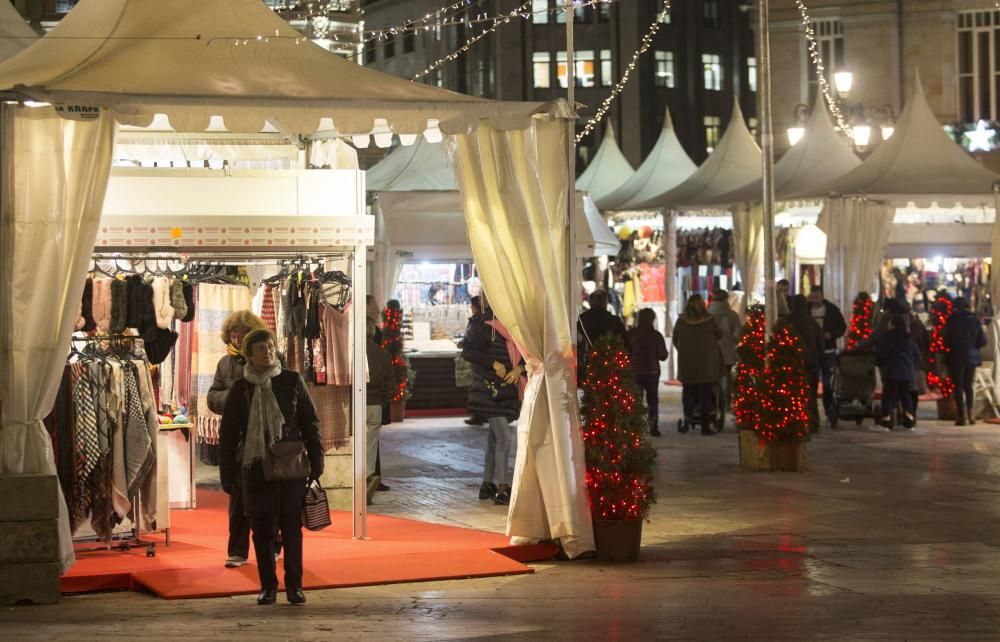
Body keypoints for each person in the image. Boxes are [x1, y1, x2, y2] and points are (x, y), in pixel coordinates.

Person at [219, 329, 324, 606]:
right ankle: (267, 586)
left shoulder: (291, 380)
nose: (268, 351)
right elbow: (228, 433)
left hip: (290, 465)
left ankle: (295, 586)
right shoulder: (241, 388)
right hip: (254, 467)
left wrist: (317, 459)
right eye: (261, 348)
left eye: (270, 346)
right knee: (262, 529)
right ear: (249, 355)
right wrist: (227, 473)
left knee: (291, 528)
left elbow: (309, 422)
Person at [207, 310, 267, 569]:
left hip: (266, 439)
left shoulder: (269, 359)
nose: (238, 340)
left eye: (243, 335)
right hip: (239, 441)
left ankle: (273, 544)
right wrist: (234, 395)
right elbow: (212, 398)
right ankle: (237, 550)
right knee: (238, 499)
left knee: (268, 496)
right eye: (234, 335)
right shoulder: (225, 363)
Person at [461, 298, 524, 505]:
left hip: (506, 389)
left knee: (495, 439)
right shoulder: (481, 323)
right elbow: (468, 352)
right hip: (489, 390)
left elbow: (526, 352)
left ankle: (487, 485)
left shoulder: (514, 324)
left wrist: (519, 368)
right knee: (504, 438)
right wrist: (493, 362)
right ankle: (503, 487)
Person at [672, 295, 724, 436]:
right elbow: (719, 335)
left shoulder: (681, 321)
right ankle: (705, 425)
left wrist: (685, 350)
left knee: (688, 391)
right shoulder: (710, 321)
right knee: (705, 393)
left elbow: (675, 340)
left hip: (687, 362)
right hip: (707, 363)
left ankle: (688, 418)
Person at [944, 297, 987, 426]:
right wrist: (974, 347)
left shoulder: (951, 320)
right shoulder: (974, 320)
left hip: (955, 356)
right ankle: (971, 413)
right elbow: (983, 340)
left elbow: (946, 340)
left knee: (958, 386)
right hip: (971, 357)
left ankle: (961, 416)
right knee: (968, 385)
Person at [808, 286, 847, 425]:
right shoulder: (807, 310)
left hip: (828, 351)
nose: (815, 300)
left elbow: (842, 327)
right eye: (812, 297)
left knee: (828, 383)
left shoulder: (832, 310)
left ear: (822, 296)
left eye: (817, 297)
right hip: (812, 352)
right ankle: (813, 415)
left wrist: (831, 334)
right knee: (811, 383)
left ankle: (829, 411)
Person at [626, 308, 668, 436]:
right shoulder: (656, 335)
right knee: (652, 400)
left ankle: (635, 427)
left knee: (636, 400)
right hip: (652, 372)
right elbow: (663, 355)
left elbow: (626, 352)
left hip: (635, 371)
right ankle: (653, 426)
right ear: (652, 319)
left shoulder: (631, 334)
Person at [365, 318, 393, 505]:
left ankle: (356, 483)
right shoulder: (382, 354)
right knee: (371, 446)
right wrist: (382, 401)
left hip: (356, 403)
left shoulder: (354, 352)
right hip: (375, 404)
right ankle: (367, 478)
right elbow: (390, 382)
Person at [875, 314, 920, 430]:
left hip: (892, 371)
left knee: (888, 396)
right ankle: (909, 422)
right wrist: (909, 365)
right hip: (907, 372)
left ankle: (886, 421)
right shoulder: (909, 337)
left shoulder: (888, 337)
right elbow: (916, 355)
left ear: (893, 324)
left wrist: (880, 363)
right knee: (906, 396)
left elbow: (882, 353)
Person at [789, 294, 825, 430]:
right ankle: (812, 421)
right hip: (811, 362)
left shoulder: (788, 323)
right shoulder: (813, 323)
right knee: (811, 394)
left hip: (793, 363)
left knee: (794, 393)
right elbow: (821, 345)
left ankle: (796, 422)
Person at [577, 289, 626, 381]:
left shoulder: (582, 320)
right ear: (605, 303)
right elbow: (624, 342)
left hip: (589, 362)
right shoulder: (614, 321)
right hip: (611, 364)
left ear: (590, 303)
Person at [707, 289, 742, 416]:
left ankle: (712, 402)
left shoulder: (706, 315)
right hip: (727, 352)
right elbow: (738, 334)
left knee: (711, 379)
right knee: (726, 377)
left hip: (709, 353)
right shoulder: (732, 315)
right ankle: (725, 403)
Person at [461, 296, 487, 427]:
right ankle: (480, 415)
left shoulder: (479, 321)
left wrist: (466, 346)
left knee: (478, 389)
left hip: (479, 361)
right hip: (478, 360)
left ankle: (480, 415)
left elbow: (474, 339)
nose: (471, 308)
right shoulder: (480, 320)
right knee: (478, 389)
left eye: (472, 306)